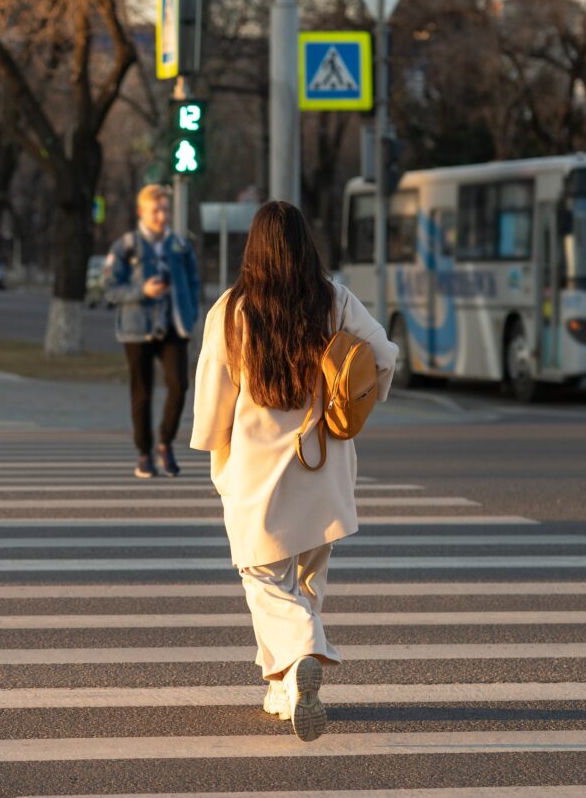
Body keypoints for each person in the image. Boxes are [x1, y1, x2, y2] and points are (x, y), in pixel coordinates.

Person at [190, 200, 397, 741]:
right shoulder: (334, 301)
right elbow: (384, 355)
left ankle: (304, 652)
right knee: (305, 578)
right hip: (324, 465)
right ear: (306, 245)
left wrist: (215, 453)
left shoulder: (233, 310)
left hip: (258, 472)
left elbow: (214, 395)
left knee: (264, 579)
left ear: (253, 248)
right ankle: (284, 688)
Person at [104, 184, 202, 478]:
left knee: (179, 386)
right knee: (142, 392)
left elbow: (194, 282)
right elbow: (109, 288)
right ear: (141, 213)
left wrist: (191, 313)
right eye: (155, 210)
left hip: (174, 325)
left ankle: (166, 443)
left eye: (165, 210)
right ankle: (144, 453)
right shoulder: (127, 245)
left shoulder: (180, 245)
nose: (161, 216)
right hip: (138, 328)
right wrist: (141, 291)